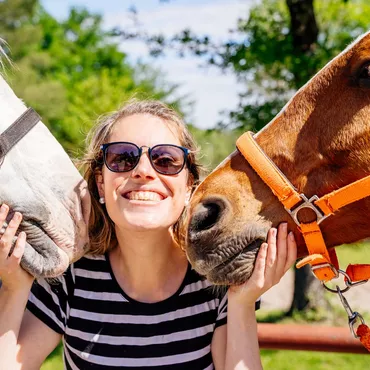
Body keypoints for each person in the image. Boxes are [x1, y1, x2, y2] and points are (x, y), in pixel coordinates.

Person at [0, 100, 297, 369]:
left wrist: (242, 303)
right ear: (101, 184)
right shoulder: (69, 277)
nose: (143, 171)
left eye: (165, 160)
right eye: (123, 158)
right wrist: (14, 288)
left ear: (189, 187)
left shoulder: (213, 280)